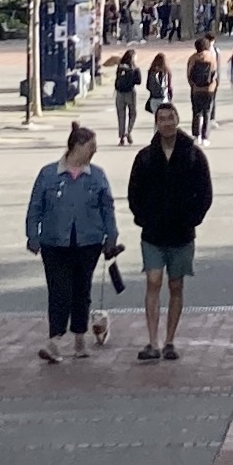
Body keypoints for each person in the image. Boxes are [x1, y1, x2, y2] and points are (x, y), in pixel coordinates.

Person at [126, 102, 214, 362]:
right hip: (153, 233)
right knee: (153, 281)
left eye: (170, 118)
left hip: (181, 233)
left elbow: (205, 193)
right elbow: (134, 193)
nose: (166, 123)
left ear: (177, 120)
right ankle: (152, 341)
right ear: (156, 122)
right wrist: (142, 218)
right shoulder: (144, 157)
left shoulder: (193, 155)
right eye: (161, 118)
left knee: (176, 285)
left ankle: (170, 340)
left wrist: (192, 219)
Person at [25, 124, 120, 362]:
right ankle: (54, 340)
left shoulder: (97, 176)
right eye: (91, 147)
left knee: (81, 290)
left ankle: (80, 338)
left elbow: (108, 208)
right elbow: (35, 206)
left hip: (89, 242)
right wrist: (32, 236)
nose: (94, 151)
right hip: (54, 242)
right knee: (59, 291)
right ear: (77, 146)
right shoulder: (48, 174)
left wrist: (111, 236)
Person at [185, 37, 219, 141]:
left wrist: (193, 85)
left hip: (196, 89)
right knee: (207, 112)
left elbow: (189, 74)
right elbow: (214, 74)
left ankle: (196, 135)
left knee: (196, 112)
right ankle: (205, 136)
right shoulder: (211, 57)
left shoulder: (193, 58)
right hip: (209, 89)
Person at [112, 50, 143, 144]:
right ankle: (128, 131)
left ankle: (121, 136)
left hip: (119, 93)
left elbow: (117, 78)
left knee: (121, 115)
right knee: (132, 113)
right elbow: (138, 81)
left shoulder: (120, 67)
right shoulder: (134, 68)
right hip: (130, 92)